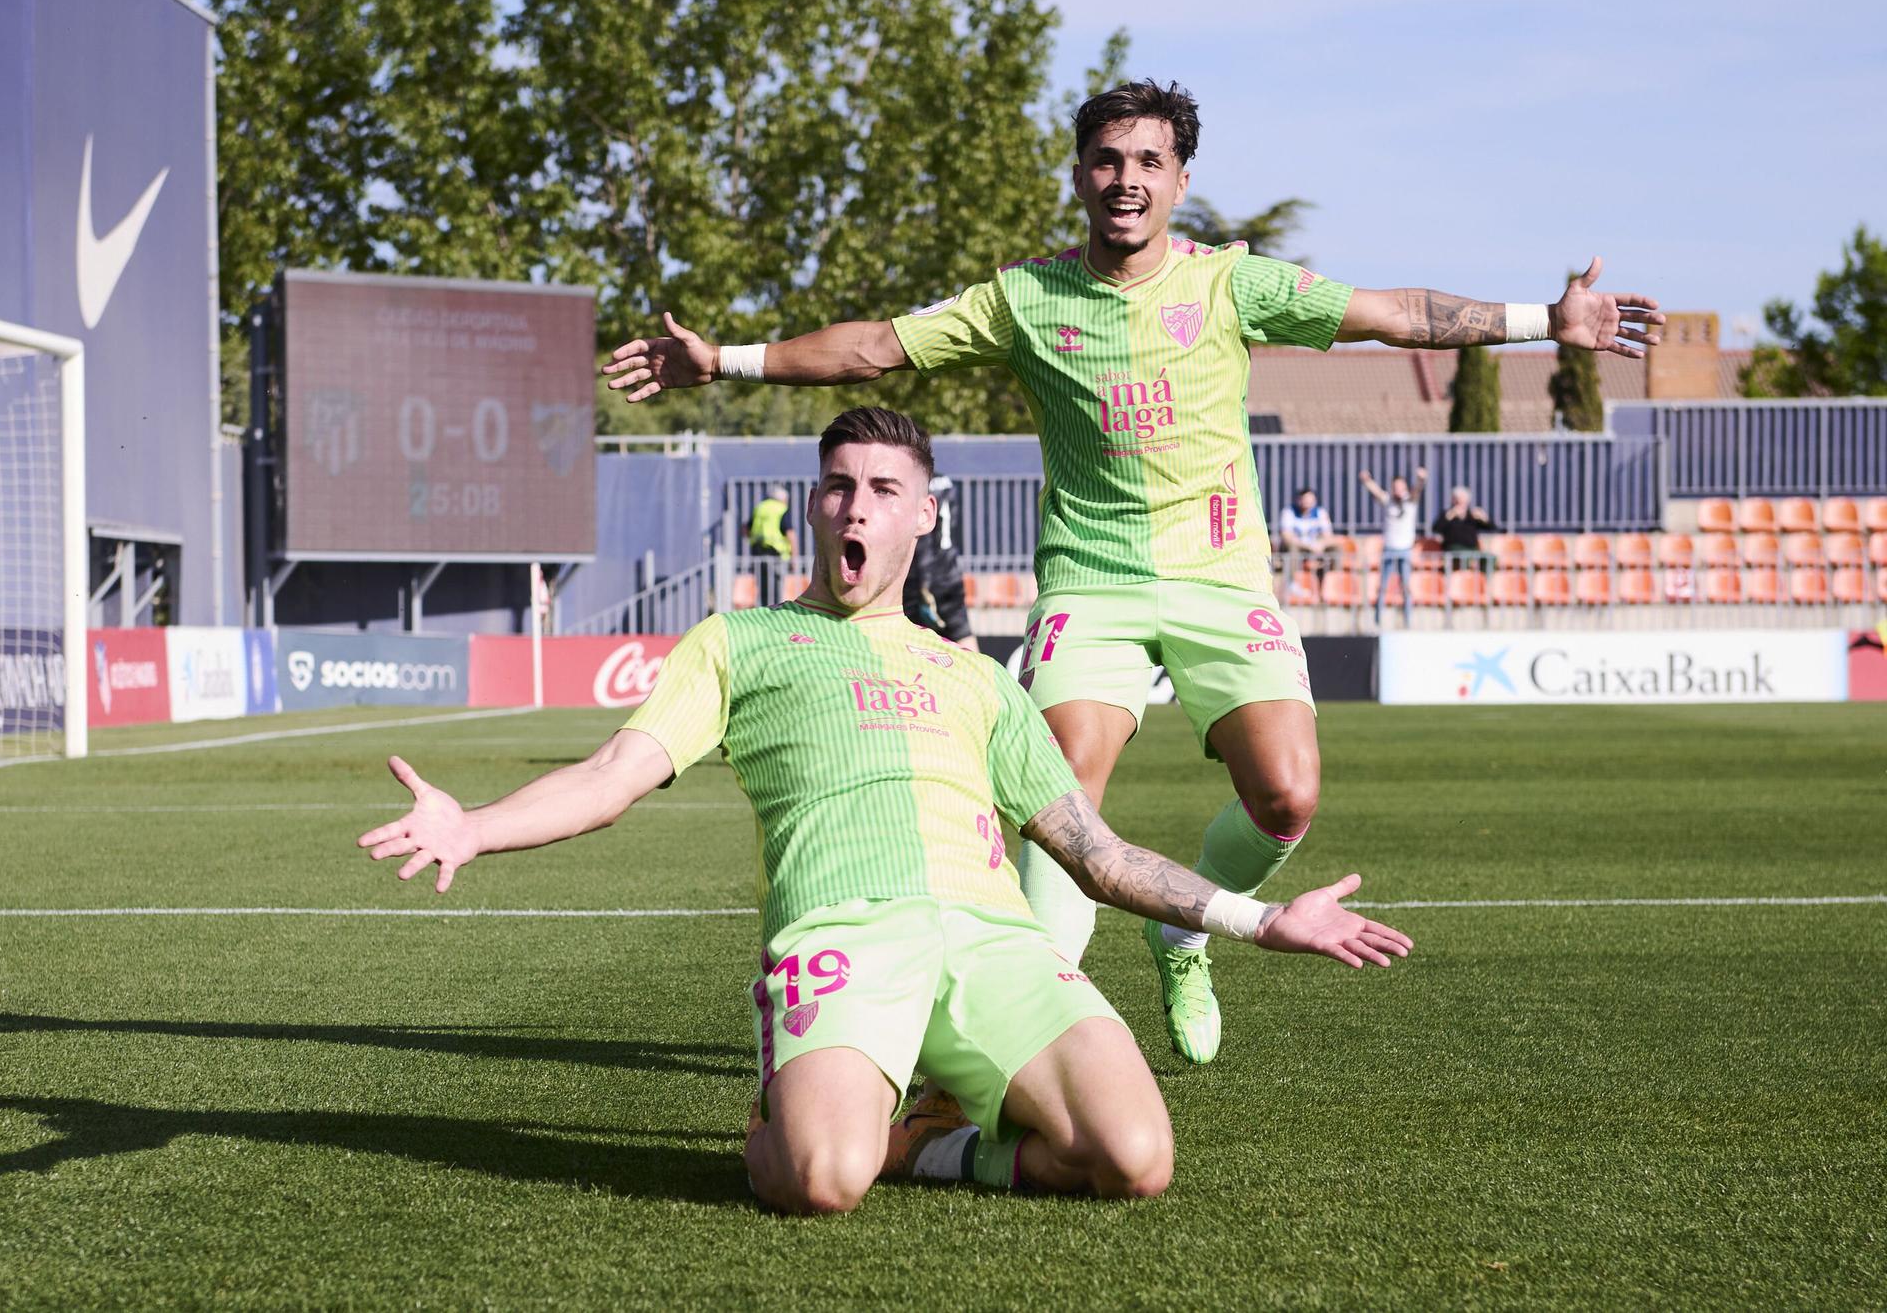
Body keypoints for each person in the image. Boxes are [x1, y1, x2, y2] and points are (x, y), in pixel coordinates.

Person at [600, 78, 1658, 1065]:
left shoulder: (1230, 281)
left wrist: (1543, 322)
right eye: (1107, 159)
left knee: (1285, 797)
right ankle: (1041, 1020)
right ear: (1078, 174)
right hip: (1089, 586)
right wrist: (725, 358)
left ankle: (1180, 940)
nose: (1126, 179)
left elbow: (1389, 314)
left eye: (1148, 161)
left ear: (1179, 180)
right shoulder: (1025, 298)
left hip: (1222, 580)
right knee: (1062, 788)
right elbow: (876, 346)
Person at [357, 408, 1413, 1215]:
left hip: (993, 940)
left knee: (1135, 1159)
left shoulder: (981, 680)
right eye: (836, 486)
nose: (854, 505)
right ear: (817, 506)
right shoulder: (740, 642)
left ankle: (926, 1143)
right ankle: (794, 1105)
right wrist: (474, 826)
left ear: (924, 512)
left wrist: (1259, 919)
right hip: (844, 934)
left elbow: (1093, 853)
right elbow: (610, 775)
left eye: (880, 487)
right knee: (819, 1179)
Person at [903, 473, 978, 650]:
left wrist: (925, 585)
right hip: (950, 572)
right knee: (962, 634)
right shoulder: (947, 482)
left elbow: (924, 544)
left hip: (926, 579)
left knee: (909, 641)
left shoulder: (918, 486)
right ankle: (984, 676)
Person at [1360, 467, 1427, 627]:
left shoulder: (1410, 502)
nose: (1398, 490)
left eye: (1401, 486)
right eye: (1395, 487)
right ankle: (1378, 620)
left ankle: (1407, 620)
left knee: (1405, 586)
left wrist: (1421, 479)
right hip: (1389, 548)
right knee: (1382, 586)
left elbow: (1418, 489)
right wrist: (1367, 481)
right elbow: (1376, 491)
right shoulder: (1388, 501)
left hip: (1405, 549)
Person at [744, 485, 795, 606]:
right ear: (782, 499)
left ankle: (764, 612)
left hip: (758, 553)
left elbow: (745, 529)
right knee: (776, 588)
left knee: (762, 587)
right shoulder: (781, 509)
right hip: (776, 554)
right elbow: (790, 535)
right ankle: (775, 614)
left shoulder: (760, 507)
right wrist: (793, 558)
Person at [1433, 486, 1498, 572]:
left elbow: (1493, 528)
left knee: (1490, 558)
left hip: (1472, 549)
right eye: (1458, 499)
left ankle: (1484, 582)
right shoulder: (1447, 514)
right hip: (1453, 549)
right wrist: (1449, 516)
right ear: (1453, 500)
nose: (1460, 501)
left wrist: (1484, 518)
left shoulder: (1472, 515)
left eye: (1463, 499)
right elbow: (1436, 529)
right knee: (1464, 558)